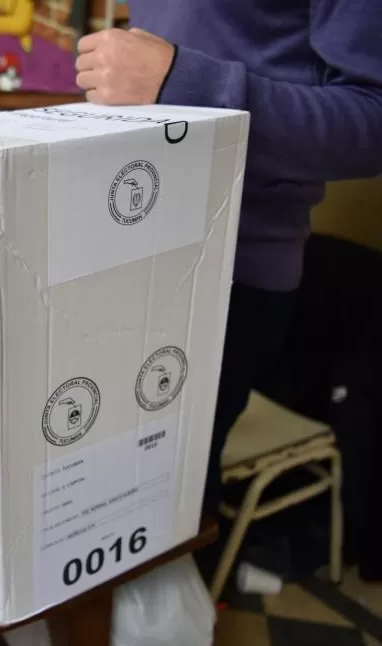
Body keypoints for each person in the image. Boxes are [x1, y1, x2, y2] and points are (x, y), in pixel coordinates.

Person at [73, 3, 382, 516]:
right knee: (94, 489)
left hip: (230, 271)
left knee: (159, 504)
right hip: (122, 249)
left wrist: (186, 82)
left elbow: (373, 119)